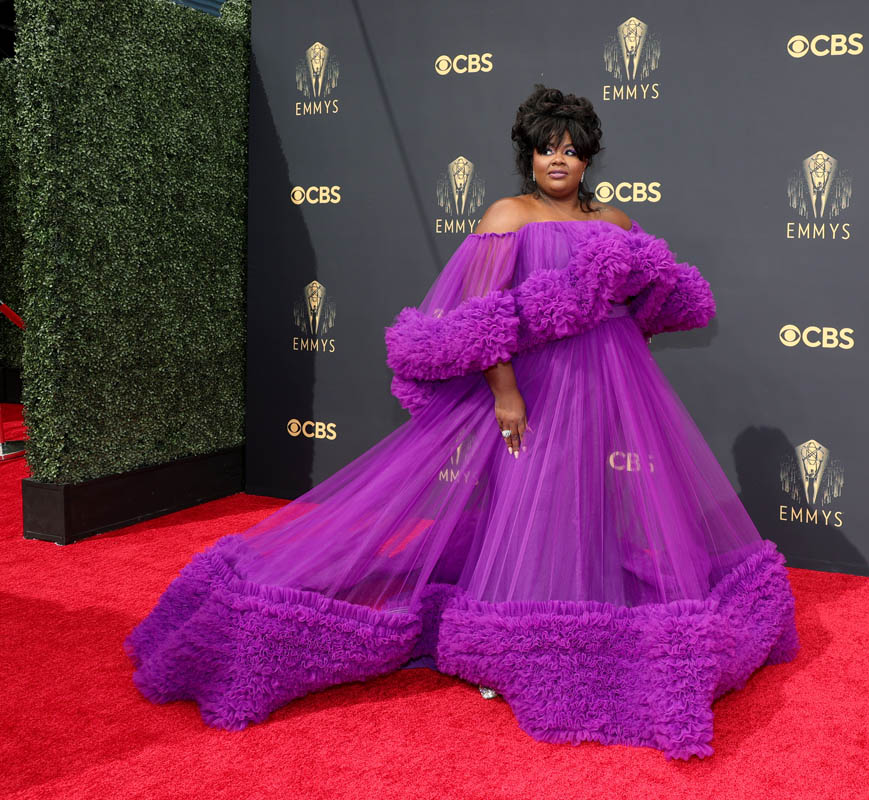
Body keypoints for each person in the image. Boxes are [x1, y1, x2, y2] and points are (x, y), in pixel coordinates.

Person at [124, 84, 798, 761]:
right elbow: (481, 318)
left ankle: (584, 620)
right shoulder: (506, 215)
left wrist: (626, 376)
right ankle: (517, 645)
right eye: (546, 148)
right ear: (528, 155)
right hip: (537, 386)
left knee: (588, 495)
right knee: (536, 498)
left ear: (588, 159)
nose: (557, 160)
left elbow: (643, 305)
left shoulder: (618, 222)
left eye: (570, 150)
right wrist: (506, 394)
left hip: (608, 384)